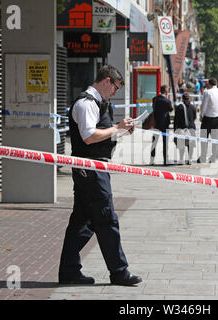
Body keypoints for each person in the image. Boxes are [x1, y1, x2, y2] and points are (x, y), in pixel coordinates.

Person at [59, 65, 142, 286]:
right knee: (107, 219)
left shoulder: (99, 103)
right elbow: (89, 136)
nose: (115, 92)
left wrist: (121, 130)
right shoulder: (86, 103)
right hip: (91, 170)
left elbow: (102, 135)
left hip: (93, 169)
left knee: (82, 222)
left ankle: (69, 270)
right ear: (106, 81)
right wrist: (116, 128)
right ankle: (119, 272)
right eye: (115, 87)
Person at [197, 78, 218, 163]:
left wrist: (201, 115)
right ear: (216, 84)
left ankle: (203, 156)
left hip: (208, 117)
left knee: (204, 137)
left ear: (209, 84)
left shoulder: (207, 92)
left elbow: (204, 105)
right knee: (216, 138)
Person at [150, 85, 173, 165]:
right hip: (164, 123)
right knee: (165, 142)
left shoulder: (155, 99)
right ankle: (165, 160)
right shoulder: (167, 101)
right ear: (166, 92)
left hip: (156, 122)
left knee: (154, 142)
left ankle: (152, 159)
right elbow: (170, 109)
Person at [173, 92, 196, 164]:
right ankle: (190, 159)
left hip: (181, 128)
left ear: (182, 99)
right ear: (189, 99)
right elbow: (194, 117)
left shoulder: (179, 107)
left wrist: (175, 129)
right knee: (190, 145)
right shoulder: (193, 107)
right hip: (191, 128)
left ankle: (181, 159)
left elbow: (176, 119)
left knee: (181, 145)